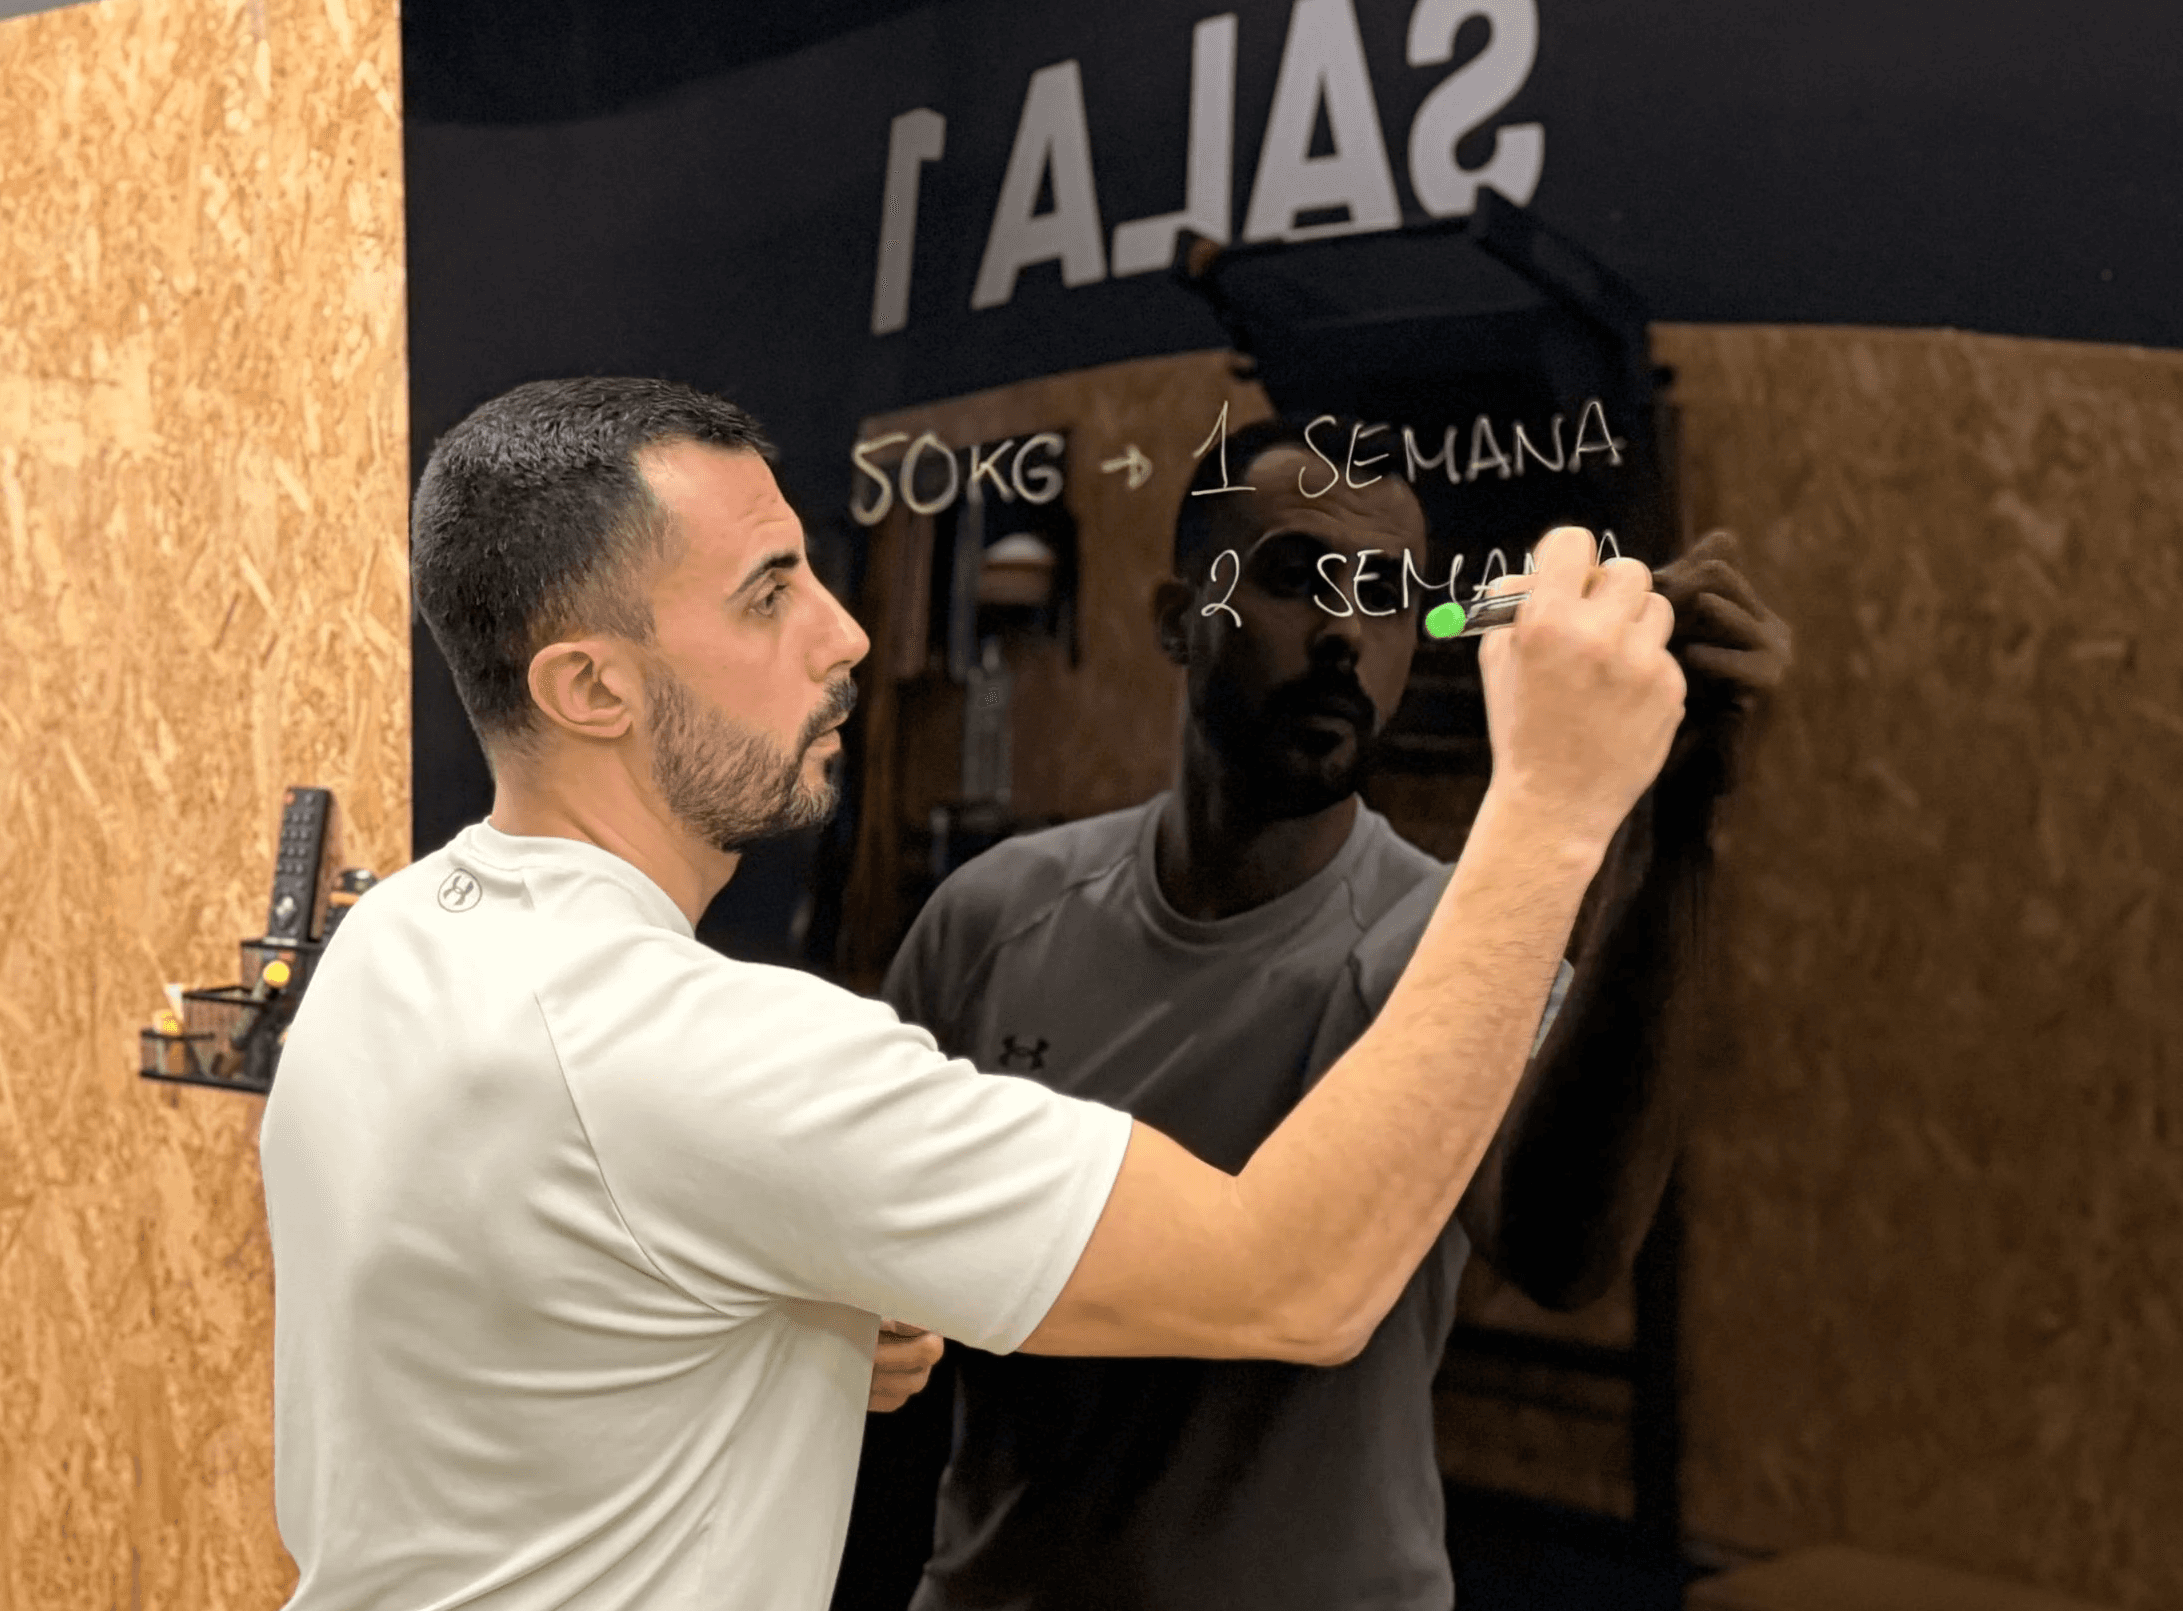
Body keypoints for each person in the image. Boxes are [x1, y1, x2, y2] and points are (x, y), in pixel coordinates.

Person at [259, 378, 1685, 1611]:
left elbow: (557, 1296)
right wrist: (1554, 806)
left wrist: (792, 1317)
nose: (846, 636)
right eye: (768, 594)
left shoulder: (390, 945)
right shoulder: (711, 1055)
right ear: (590, 687)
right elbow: (1294, 1279)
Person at [878, 417, 1790, 1611]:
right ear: (1174, 616)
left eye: (1387, 599)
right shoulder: (990, 919)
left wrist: (1675, 831)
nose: (1344, 636)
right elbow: (868, 1303)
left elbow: (1566, 1252)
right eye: (1299, 578)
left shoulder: (1454, 948)